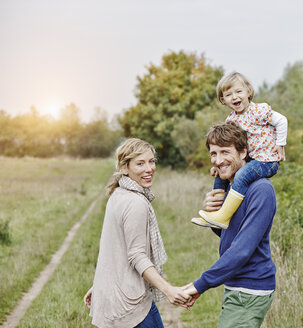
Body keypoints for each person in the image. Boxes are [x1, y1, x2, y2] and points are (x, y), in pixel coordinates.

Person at [83, 138, 191, 328]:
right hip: (130, 304)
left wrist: (102, 285)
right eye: (140, 163)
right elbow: (136, 255)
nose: (149, 169)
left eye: (151, 161)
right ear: (125, 167)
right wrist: (168, 290)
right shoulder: (136, 203)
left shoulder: (117, 194)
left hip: (113, 297)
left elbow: (115, 248)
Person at [185, 122, 277, 328]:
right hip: (236, 284)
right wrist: (212, 215)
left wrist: (201, 284)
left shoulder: (261, 189)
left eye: (225, 152)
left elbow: (242, 249)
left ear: (243, 151)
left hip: (251, 288)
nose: (217, 161)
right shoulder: (232, 187)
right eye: (213, 154)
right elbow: (230, 235)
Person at [191, 71, 287, 229]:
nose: (235, 97)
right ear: (223, 100)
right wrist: (220, 164)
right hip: (251, 160)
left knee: (242, 175)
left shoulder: (259, 110)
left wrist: (280, 144)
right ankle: (216, 212)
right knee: (220, 176)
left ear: (248, 92)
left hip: (266, 161)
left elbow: (282, 121)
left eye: (239, 91)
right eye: (228, 94)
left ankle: (223, 216)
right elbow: (228, 146)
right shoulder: (231, 120)